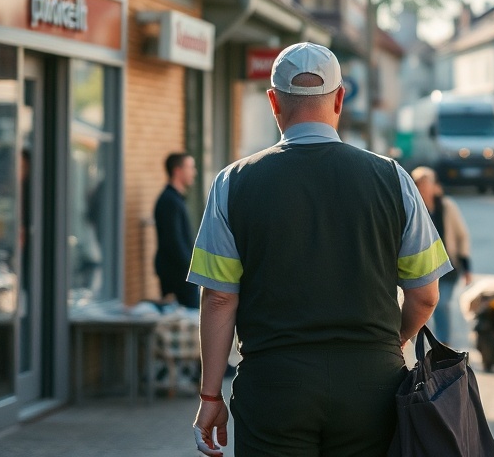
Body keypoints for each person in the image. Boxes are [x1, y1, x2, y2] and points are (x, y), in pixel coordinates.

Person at [187, 42, 451, 457]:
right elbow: (426, 294)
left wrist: (210, 396)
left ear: (273, 101)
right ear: (340, 98)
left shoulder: (232, 183)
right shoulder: (393, 179)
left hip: (274, 386)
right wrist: (390, 342)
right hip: (371, 387)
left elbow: (219, 297)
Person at [411, 166, 473, 345]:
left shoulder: (447, 206)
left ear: (434, 185)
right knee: (422, 306)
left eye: (425, 183)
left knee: (442, 303)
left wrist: (467, 267)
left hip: (448, 267)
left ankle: (444, 344)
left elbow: (462, 236)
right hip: (423, 268)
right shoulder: (413, 207)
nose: (422, 187)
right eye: (418, 184)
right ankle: (423, 346)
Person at [154, 152, 200, 309]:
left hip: (182, 273)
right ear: (177, 171)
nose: (194, 172)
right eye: (190, 167)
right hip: (178, 275)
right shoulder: (169, 201)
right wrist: (191, 269)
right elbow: (173, 242)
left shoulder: (175, 199)